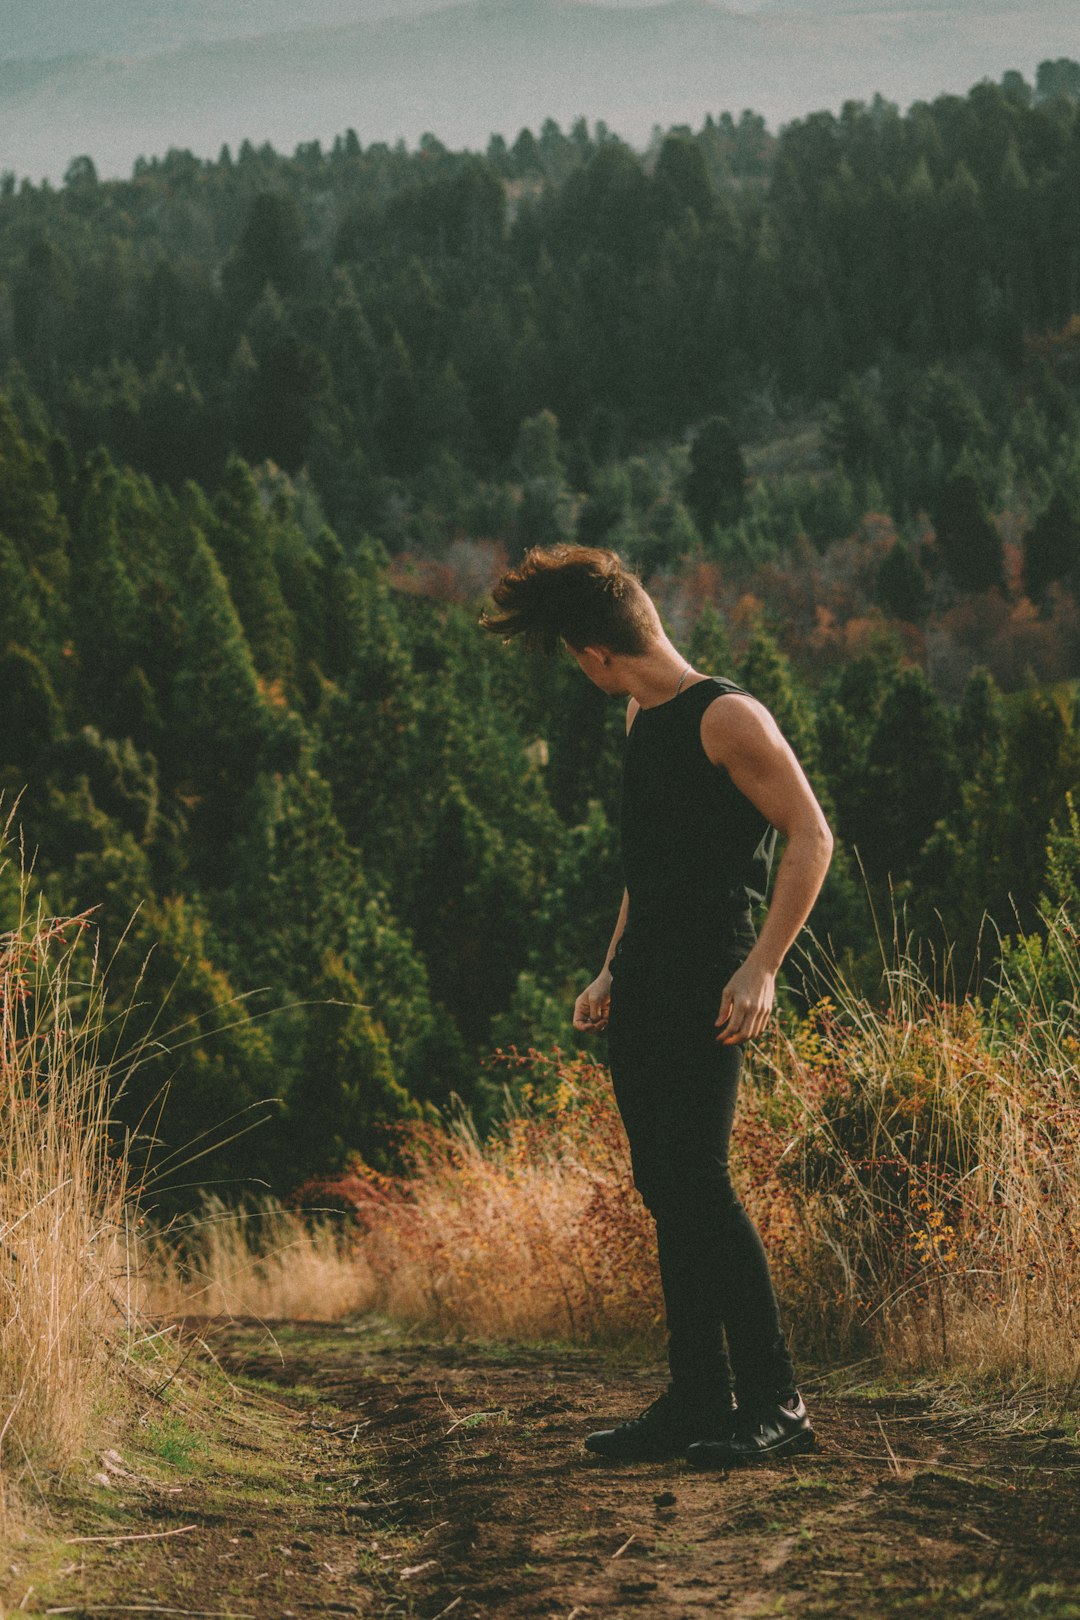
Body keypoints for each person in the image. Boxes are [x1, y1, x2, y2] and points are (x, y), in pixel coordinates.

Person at [480, 543, 833, 1467]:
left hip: (714, 978)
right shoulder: (644, 719)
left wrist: (762, 968)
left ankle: (776, 1401)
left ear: (598, 652)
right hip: (645, 982)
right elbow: (648, 871)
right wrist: (610, 970)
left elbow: (811, 838)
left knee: (701, 1187)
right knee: (664, 1188)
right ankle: (696, 1397)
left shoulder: (728, 719)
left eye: (572, 657)